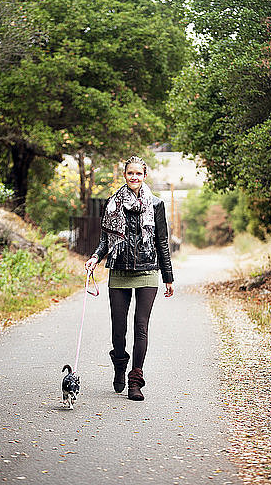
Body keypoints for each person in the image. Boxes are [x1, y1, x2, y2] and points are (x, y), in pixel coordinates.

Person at [85, 155, 174, 401]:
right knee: (118, 327)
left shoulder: (156, 204)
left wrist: (168, 277)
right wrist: (95, 258)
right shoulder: (112, 203)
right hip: (119, 271)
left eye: (138, 173)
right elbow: (106, 239)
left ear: (145, 176)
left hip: (147, 270)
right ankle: (120, 365)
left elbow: (162, 242)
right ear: (124, 175)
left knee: (141, 326)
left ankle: (135, 381)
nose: (134, 177)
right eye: (129, 173)